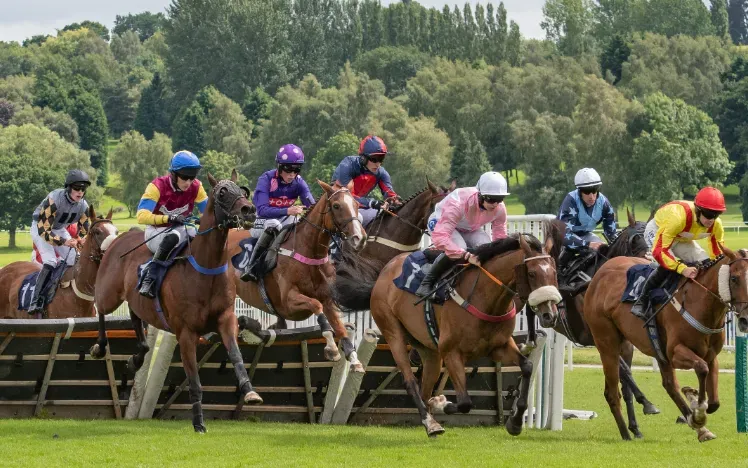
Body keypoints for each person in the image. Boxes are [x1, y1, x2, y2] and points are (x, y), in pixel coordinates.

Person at [631, 187, 726, 316]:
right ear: (698, 211)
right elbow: (661, 251)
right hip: (658, 230)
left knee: (706, 262)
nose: (711, 219)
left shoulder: (716, 224)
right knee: (667, 266)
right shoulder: (678, 218)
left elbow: (718, 254)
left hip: (681, 236)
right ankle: (642, 300)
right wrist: (682, 268)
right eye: (708, 214)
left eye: (716, 215)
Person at [415, 171, 509, 297]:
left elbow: (500, 238)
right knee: (460, 247)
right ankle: (427, 283)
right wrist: (466, 255)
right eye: (491, 199)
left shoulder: (500, 209)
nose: (496, 204)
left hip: (467, 227)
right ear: (480, 195)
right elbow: (441, 237)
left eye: (500, 199)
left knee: (486, 247)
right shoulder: (458, 203)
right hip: (440, 222)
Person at [136, 150, 208, 298]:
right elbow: (141, 216)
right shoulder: (156, 187)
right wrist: (168, 218)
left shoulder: (197, 187)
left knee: (201, 236)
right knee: (173, 236)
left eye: (192, 177)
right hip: (156, 232)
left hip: (182, 229)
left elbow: (206, 213)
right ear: (173, 174)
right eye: (184, 177)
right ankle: (150, 277)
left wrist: (206, 220)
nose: (188, 182)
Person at [240, 144, 316, 281]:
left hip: (285, 219)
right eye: (288, 170)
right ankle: (252, 267)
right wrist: (288, 210)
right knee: (274, 224)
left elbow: (312, 206)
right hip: (261, 221)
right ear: (280, 167)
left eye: (296, 170)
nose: (292, 174)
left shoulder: (299, 183)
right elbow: (262, 210)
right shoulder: (266, 179)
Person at [28, 169, 92, 314]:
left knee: (73, 260)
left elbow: (84, 228)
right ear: (68, 188)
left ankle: (63, 291)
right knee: (51, 261)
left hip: (58, 228)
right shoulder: (54, 199)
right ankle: (36, 299)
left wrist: (80, 239)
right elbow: (44, 232)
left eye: (83, 189)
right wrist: (65, 242)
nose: (80, 192)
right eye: (77, 188)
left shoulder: (83, 205)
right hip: (40, 228)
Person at [331, 135, 401, 226]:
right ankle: (335, 241)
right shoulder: (347, 165)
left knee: (385, 216)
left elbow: (389, 193)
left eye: (381, 159)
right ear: (363, 158)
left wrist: (395, 201)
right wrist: (371, 203)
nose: (378, 164)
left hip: (359, 208)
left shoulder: (382, 173)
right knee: (357, 218)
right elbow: (344, 196)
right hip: (338, 207)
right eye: (374, 159)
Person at [557, 168, 617, 271]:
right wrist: (586, 245)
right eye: (587, 192)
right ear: (579, 191)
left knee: (603, 251)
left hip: (585, 235)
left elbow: (612, 234)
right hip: (561, 237)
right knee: (565, 253)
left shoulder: (604, 203)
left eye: (595, 191)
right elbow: (563, 234)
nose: (592, 196)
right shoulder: (571, 200)